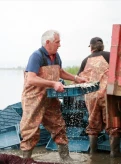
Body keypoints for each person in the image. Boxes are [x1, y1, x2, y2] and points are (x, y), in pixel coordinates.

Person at [20, 30, 87, 162]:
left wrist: (76, 78)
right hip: (33, 99)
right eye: (57, 42)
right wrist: (53, 83)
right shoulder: (36, 56)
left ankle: (66, 158)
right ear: (48, 42)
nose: (59, 45)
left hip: (50, 98)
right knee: (30, 130)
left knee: (59, 126)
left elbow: (60, 72)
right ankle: (26, 160)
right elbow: (31, 79)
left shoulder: (56, 56)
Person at [77, 37, 121, 158]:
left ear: (91, 47)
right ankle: (115, 154)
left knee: (92, 125)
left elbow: (79, 79)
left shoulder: (85, 60)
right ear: (102, 46)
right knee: (112, 124)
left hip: (91, 97)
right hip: (107, 95)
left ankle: (93, 155)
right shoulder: (109, 56)